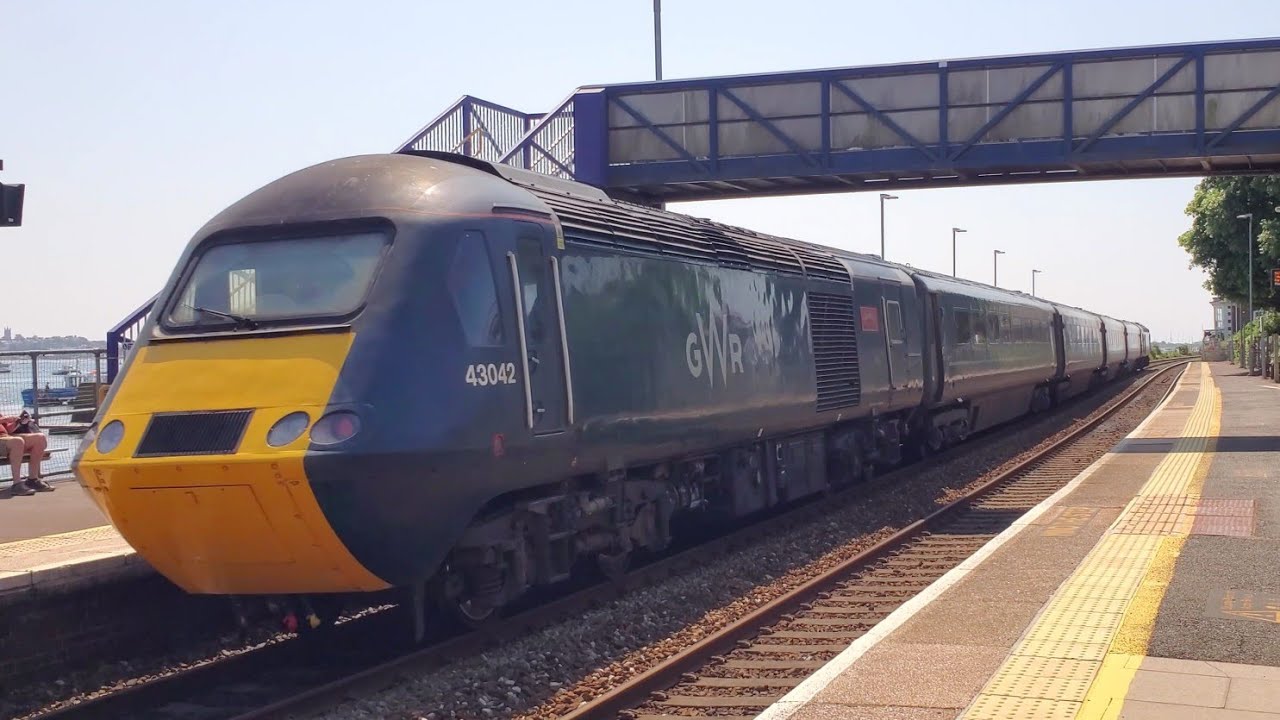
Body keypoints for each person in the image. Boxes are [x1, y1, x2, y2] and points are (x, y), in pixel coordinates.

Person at [1, 410, 52, 495]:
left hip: (6, 437)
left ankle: (33, 479)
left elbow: (8, 430)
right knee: (17, 441)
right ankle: (17, 484)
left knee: (40, 438)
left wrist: (17, 421)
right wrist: (4, 419)